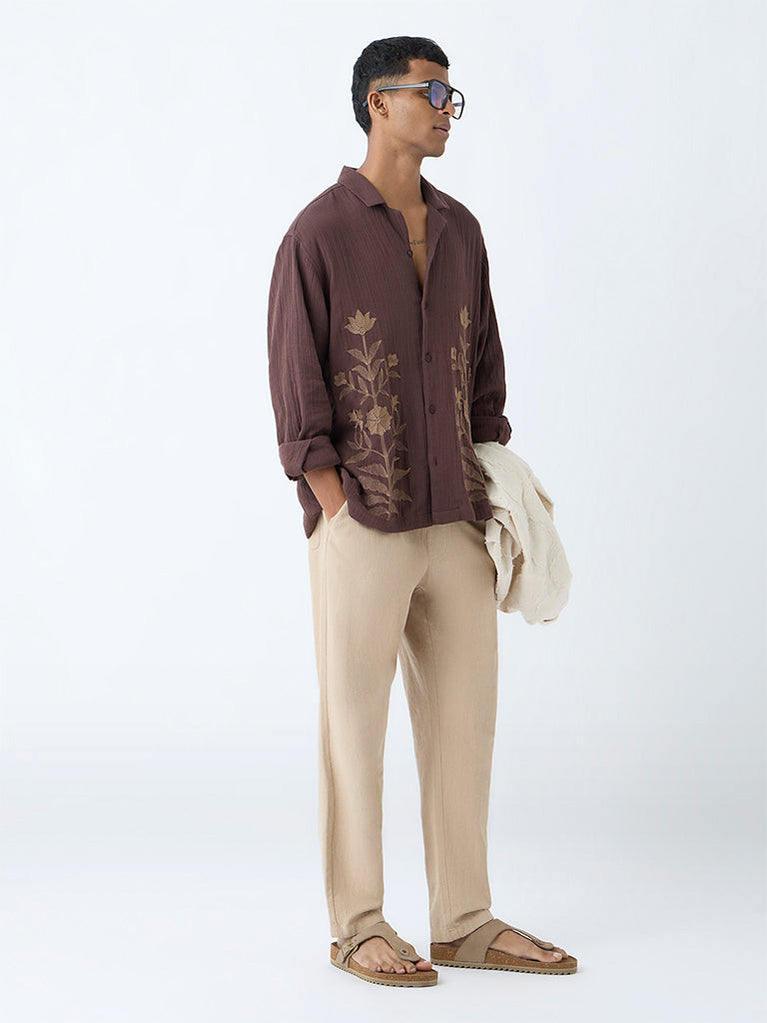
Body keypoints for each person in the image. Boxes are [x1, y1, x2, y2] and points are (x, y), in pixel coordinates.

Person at [267, 36, 576, 987]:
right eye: (430, 91)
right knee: (352, 728)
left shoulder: (461, 230)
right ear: (378, 103)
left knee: (463, 728)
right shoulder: (318, 233)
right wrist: (334, 504)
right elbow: (295, 387)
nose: (446, 109)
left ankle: (464, 920)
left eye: (451, 94)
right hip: (362, 521)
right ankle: (358, 923)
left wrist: (482, 493)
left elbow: (484, 373)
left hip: (455, 521)